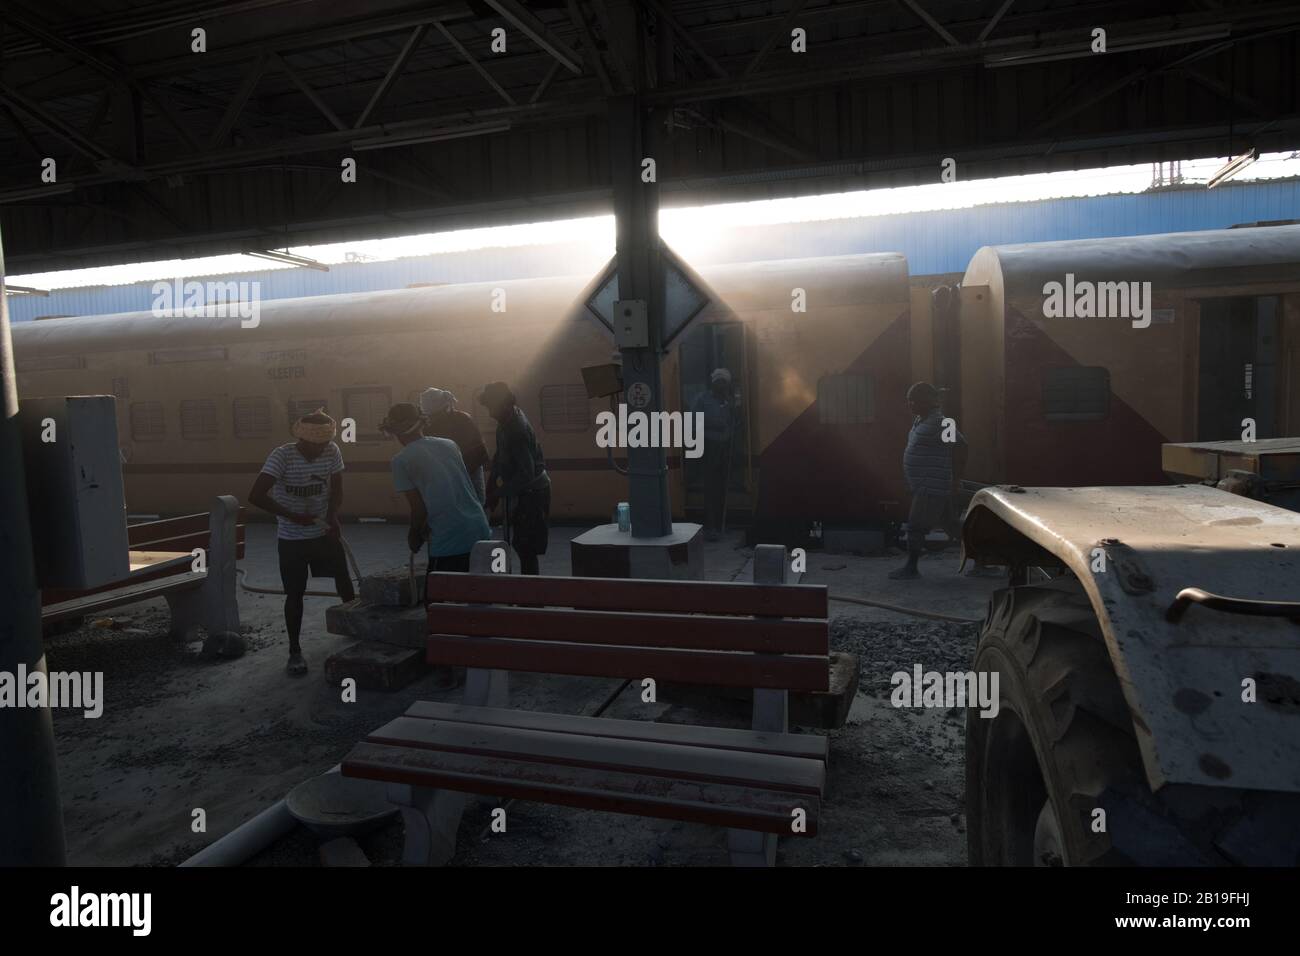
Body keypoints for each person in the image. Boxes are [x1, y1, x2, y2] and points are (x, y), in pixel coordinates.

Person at [248, 409, 354, 676]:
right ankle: (295, 652)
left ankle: (355, 633)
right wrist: (293, 516)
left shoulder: (331, 450)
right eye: (314, 446)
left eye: (324, 445)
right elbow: (256, 495)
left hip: (322, 532)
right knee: (294, 594)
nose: (320, 451)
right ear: (301, 439)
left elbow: (337, 488)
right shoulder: (282, 455)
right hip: (292, 538)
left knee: (345, 583)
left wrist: (333, 517)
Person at [379, 403, 491, 574]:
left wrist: (414, 536)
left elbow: (419, 509)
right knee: (480, 593)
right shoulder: (449, 445)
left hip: (450, 541)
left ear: (395, 432)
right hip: (479, 529)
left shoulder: (401, 461)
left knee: (441, 597)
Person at [890, 382, 966, 580]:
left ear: (927, 402)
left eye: (914, 401)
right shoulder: (921, 420)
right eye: (909, 401)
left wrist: (956, 479)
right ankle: (985, 561)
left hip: (931, 487)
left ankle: (911, 568)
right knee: (952, 525)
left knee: (915, 527)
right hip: (927, 485)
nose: (910, 404)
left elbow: (961, 445)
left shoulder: (941, 422)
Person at [479, 381, 550, 575]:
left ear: (503, 404)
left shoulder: (516, 429)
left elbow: (525, 474)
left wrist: (498, 494)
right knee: (519, 542)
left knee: (525, 547)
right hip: (522, 490)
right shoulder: (505, 421)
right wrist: (492, 482)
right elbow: (500, 454)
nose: (489, 412)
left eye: (490, 407)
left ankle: (532, 597)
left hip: (532, 492)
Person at [419, 387, 489, 504]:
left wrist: (457, 475)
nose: (432, 419)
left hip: (469, 476)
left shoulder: (463, 421)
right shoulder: (428, 426)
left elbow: (480, 455)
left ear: (446, 408)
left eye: (434, 415)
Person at [692, 368, 736, 541]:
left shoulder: (730, 401)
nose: (721, 385)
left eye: (724, 382)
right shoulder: (702, 399)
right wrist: (713, 425)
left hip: (725, 447)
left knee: (723, 486)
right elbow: (693, 420)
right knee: (710, 487)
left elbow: (733, 422)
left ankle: (721, 523)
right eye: (718, 382)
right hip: (708, 446)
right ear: (713, 383)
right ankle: (710, 525)